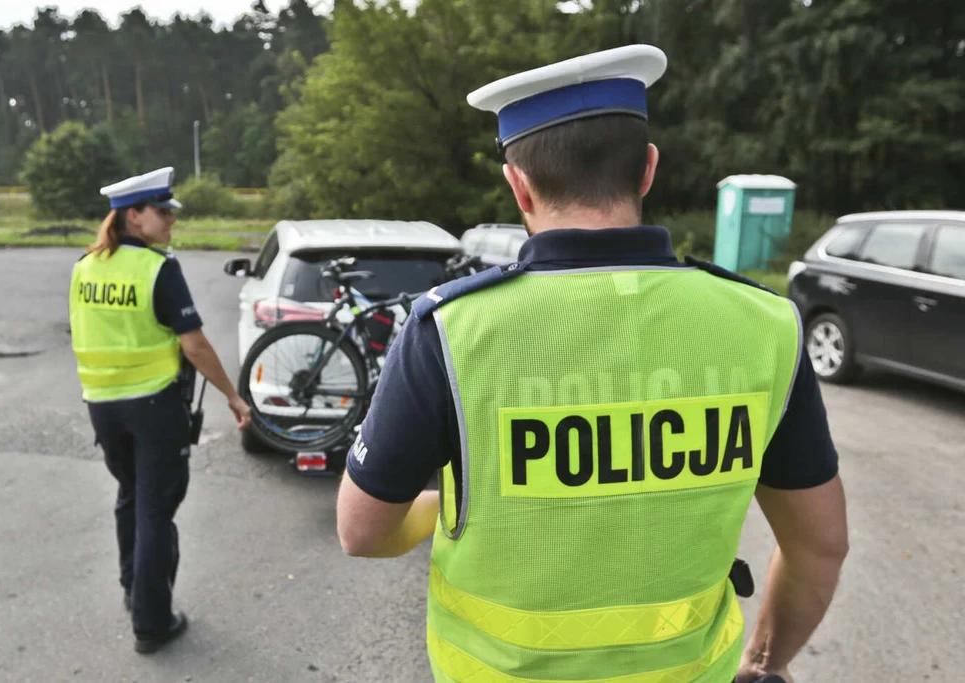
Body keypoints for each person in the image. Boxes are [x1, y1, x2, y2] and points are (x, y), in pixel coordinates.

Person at [335, 45, 848, 683]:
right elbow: (819, 547)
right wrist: (765, 660)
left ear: (518, 185)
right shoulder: (766, 325)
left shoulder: (448, 329)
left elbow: (361, 531)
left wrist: (436, 507)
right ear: (648, 170)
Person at [69, 167, 252, 654]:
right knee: (154, 509)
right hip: (153, 407)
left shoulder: (84, 266)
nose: (171, 221)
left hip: (103, 410)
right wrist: (233, 396)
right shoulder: (157, 268)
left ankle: (134, 587)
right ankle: (151, 623)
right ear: (134, 216)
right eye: (163, 212)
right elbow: (194, 345)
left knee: (131, 494)